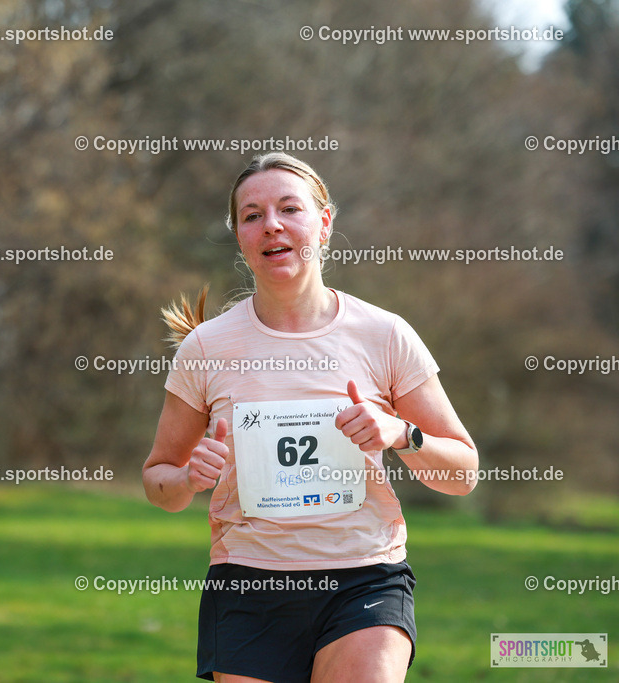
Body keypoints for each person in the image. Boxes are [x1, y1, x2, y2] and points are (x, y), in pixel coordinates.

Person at [143, 152, 478, 683]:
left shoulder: (385, 335)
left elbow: (463, 473)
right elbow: (158, 482)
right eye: (252, 215)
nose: (271, 224)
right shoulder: (207, 348)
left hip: (365, 579)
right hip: (249, 587)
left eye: (288, 208)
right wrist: (188, 478)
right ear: (240, 238)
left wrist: (402, 434)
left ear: (323, 224)